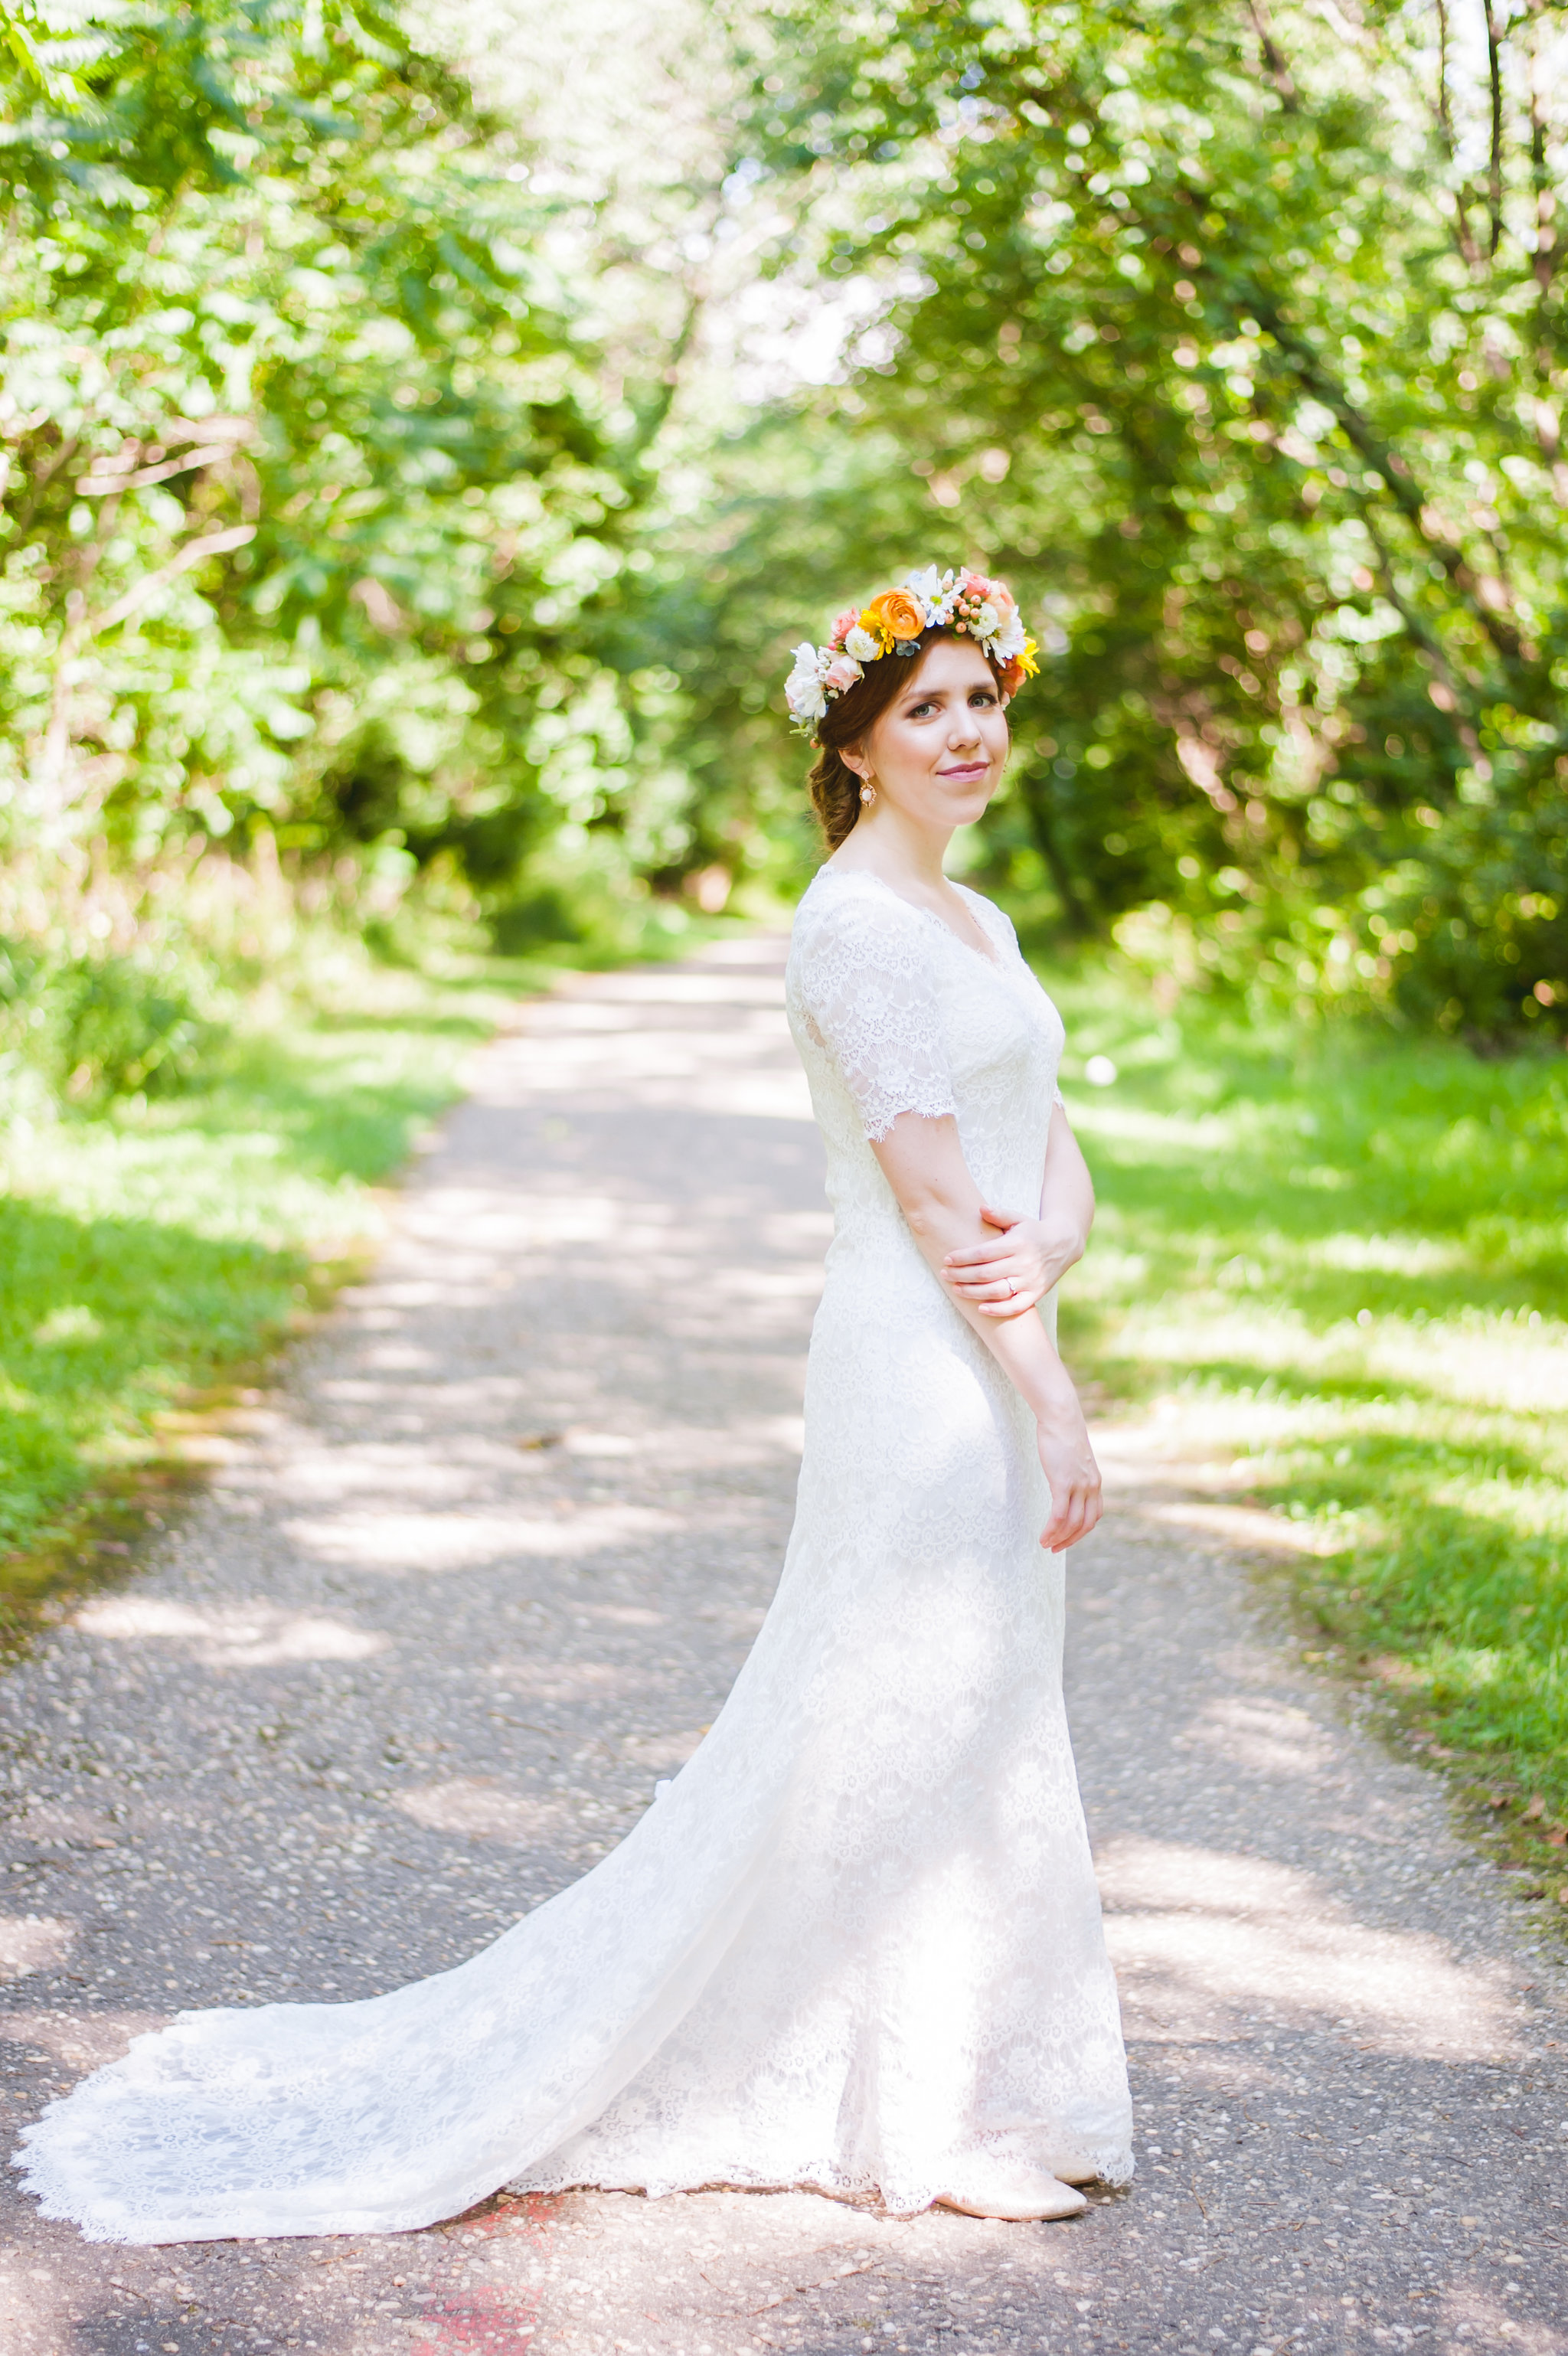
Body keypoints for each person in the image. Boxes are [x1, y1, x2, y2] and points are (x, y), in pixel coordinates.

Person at [17, 564, 1132, 2244]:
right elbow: (929, 1202)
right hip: (919, 1372)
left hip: (984, 1330)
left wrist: (1049, 1243)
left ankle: (964, 2078)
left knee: (972, 1711)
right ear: (857, 740)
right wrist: (1051, 1399)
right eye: (927, 709)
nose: (967, 732)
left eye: (983, 700)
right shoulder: (853, 929)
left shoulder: (980, 920)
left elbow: (1044, 1151)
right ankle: (917, 2119)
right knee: (904, 1707)